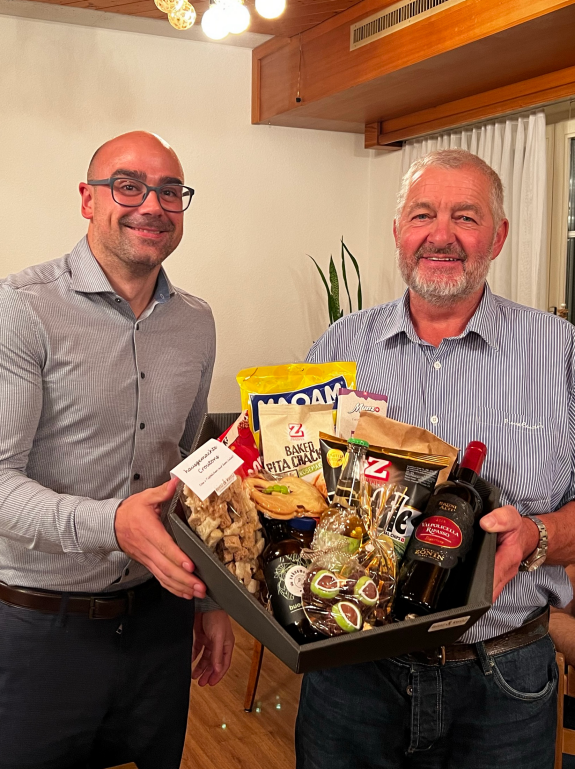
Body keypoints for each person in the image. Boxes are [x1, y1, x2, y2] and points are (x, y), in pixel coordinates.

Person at [296, 148, 574, 769]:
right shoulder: (339, 347)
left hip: (504, 678)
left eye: (465, 217)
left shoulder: (560, 352)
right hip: (352, 672)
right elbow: (294, 485)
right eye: (423, 215)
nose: (441, 235)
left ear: (498, 236)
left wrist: (538, 535)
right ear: (398, 231)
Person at [0, 131, 234, 769]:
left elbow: (190, 470)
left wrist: (211, 598)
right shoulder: (21, 310)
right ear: (88, 198)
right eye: (128, 186)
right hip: (41, 628)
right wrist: (112, 524)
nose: (152, 205)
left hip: (160, 619)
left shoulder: (196, 321)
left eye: (169, 192)